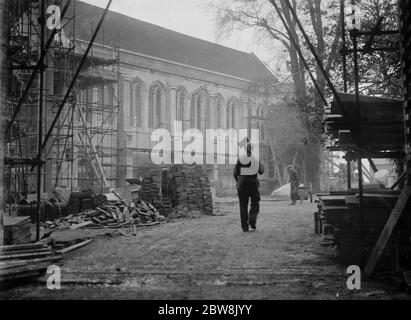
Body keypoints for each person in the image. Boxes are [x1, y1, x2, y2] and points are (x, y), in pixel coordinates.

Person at [233, 142, 265, 232]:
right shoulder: (255, 159)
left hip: (242, 183)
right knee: (255, 202)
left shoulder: (240, 159)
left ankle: (244, 227)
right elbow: (262, 171)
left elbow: (235, 172)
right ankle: (252, 220)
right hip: (252, 183)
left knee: (243, 204)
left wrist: (238, 181)